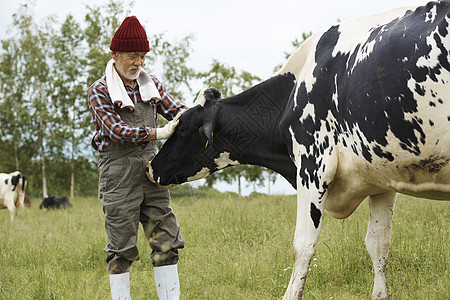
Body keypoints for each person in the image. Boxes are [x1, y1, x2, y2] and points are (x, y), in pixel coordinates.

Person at [88, 16, 186, 300]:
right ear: (114, 54)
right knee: (121, 248)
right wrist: (159, 132)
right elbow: (116, 130)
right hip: (117, 175)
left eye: (142, 56)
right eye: (133, 55)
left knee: (165, 241)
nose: (138, 62)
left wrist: (206, 112)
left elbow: (177, 111)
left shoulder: (151, 85)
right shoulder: (99, 90)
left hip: (151, 171)